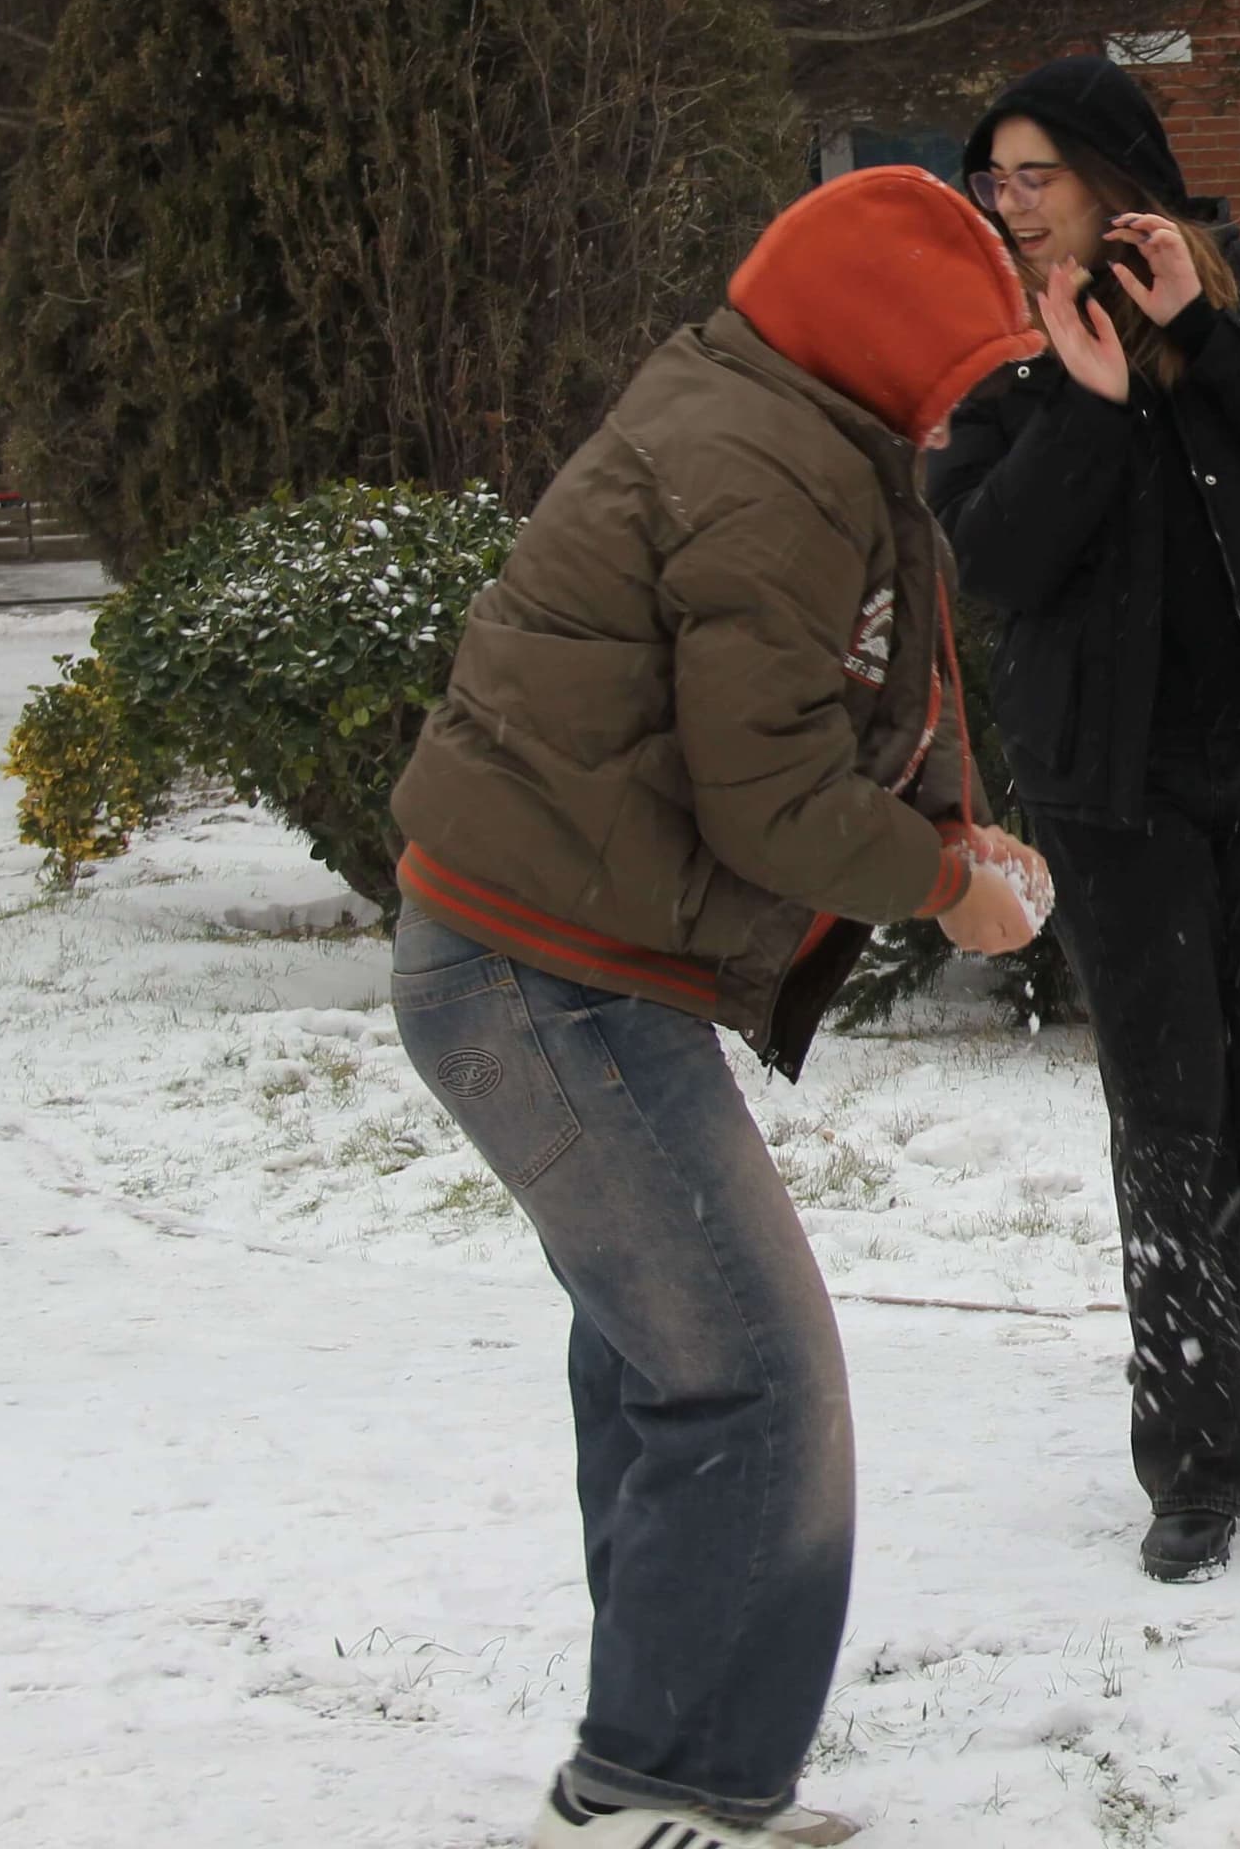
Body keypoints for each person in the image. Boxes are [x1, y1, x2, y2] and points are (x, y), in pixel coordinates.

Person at [386, 169, 1056, 1849]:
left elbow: (825, 709)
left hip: (544, 961)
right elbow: (767, 797)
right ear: (888, 345)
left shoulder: (771, 427)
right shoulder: (767, 468)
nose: (970, 407)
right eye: (963, 371)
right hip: (541, 976)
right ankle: (661, 1792)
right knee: (750, 1379)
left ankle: (656, 1772)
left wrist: (943, 827)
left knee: (667, 1366)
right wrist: (941, 886)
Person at [929, 54, 1240, 1585]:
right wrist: (1083, 405)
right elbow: (997, 565)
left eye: (1038, 175)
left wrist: (1199, 336)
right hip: (1118, 790)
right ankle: (1199, 1451)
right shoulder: (989, 353)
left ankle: (1213, 1341)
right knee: (1169, 1110)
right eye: (995, 179)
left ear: (1113, 173)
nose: (1011, 206)